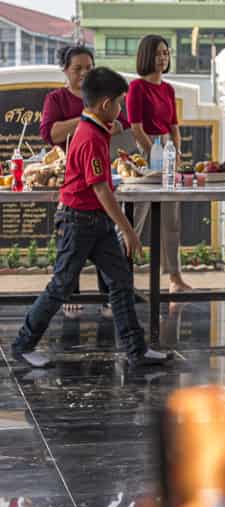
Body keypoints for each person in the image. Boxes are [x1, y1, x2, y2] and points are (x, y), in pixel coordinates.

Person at [11, 67, 171, 369]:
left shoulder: (95, 130)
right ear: (105, 105)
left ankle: (135, 350)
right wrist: (128, 231)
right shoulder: (90, 136)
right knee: (62, 285)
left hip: (95, 221)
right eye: (120, 103)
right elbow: (101, 190)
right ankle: (23, 344)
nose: (122, 109)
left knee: (121, 281)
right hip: (78, 221)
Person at [41, 44, 131, 318]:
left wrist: (101, 120)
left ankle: (112, 303)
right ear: (66, 71)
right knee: (71, 253)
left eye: (88, 68)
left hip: (101, 170)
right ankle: (67, 299)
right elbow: (51, 133)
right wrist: (88, 119)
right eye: (77, 68)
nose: (83, 73)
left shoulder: (105, 99)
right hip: (75, 181)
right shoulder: (58, 100)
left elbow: (121, 123)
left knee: (108, 252)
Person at [127, 34, 191, 293]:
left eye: (166, 53)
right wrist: (154, 154)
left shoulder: (168, 89)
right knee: (135, 219)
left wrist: (175, 152)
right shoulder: (137, 88)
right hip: (146, 152)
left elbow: (174, 126)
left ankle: (175, 278)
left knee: (171, 220)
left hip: (168, 149)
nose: (163, 58)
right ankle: (123, 278)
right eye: (157, 53)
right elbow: (135, 127)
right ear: (145, 56)